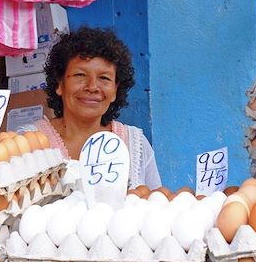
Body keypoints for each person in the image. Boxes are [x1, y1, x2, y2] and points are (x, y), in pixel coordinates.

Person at [22, 27, 161, 189]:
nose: (92, 86)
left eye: (104, 78)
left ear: (115, 90)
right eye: (80, 75)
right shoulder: (29, 143)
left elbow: (155, 205)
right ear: (60, 84)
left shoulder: (136, 145)